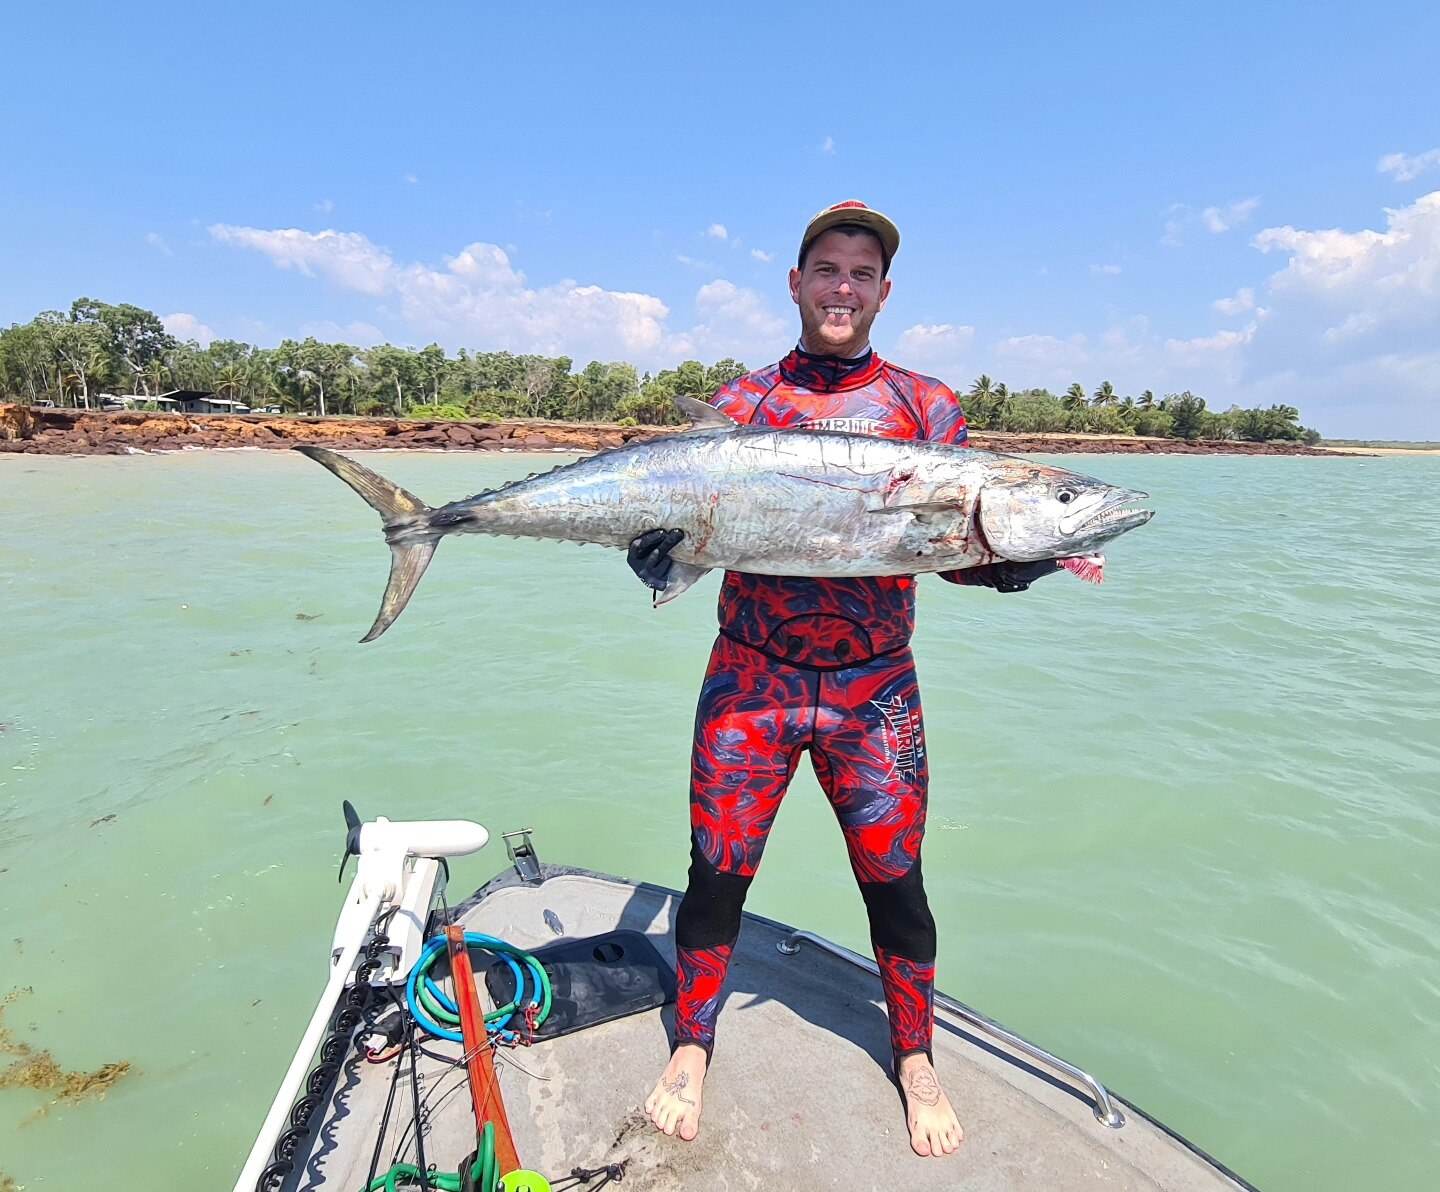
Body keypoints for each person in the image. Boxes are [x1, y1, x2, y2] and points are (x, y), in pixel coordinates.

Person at [634, 201, 1060, 1159]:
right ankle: (694, 1045)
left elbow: (945, 544)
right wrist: (660, 554)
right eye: (826, 269)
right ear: (795, 282)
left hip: (876, 693)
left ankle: (915, 1056)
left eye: (861, 275)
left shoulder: (928, 406)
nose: (842, 288)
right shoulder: (740, 404)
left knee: (897, 882)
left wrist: (1010, 560)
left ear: (883, 292)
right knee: (716, 875)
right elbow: (675, 515)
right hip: (753, 678)